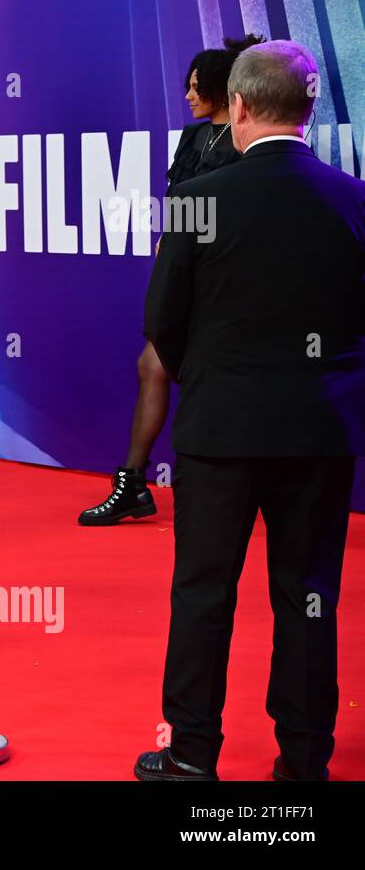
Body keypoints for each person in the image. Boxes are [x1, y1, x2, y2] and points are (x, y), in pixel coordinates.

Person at [134, 41, 365, 782]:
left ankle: (193, 754)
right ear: (310, 109)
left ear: (236, 105)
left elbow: (163, 323)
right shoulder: (355, 198)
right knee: (309, 598)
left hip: (220, 429)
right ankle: (305, 761)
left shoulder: (201, 199)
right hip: (321, 431)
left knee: (204, 592)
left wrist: (209, 375)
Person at [80, 34, 264, 525]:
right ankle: (134, 483)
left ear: (225, 89)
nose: (186, 95)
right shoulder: (191, 139)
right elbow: (178, 202)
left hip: (225, 280)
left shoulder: (249, 144)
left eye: (195, 87)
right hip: (182, 275)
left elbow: (240, 212)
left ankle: (234, 486)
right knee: (152, 366)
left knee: (197, 374)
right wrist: (170, 239)